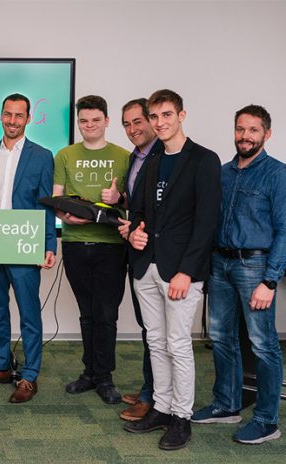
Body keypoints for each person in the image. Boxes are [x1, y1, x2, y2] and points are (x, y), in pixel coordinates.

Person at [122, 89, 221, 451]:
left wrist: (188, 271)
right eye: (154, 116)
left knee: (178, 344)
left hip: (180, 270)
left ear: (181, 115)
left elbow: (207, 221)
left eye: (166, 115)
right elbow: (142, 211)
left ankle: (182, 416)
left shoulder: (204, 160)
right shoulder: (151, 159)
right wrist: (134, 232)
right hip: (146, 266)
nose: (159, 122)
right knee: (155, 341)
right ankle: (161, 409)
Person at [191, 105, 285, 444]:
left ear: (266, 134)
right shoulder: (224, 172)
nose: (245, 136)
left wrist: (270, 279)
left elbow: (284, 229)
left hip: (255, 267)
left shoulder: (277, 174)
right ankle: (226, 404)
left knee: (263, 345)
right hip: (220, 264)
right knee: (220, 338)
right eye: (240, 129)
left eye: (253, 130)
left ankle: (266, 420)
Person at [0, 93, 56, 404]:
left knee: (29, 313)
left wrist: (49, 244)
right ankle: (2, 366)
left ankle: (30, 375)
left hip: (24, 243)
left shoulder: (43, 156)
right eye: (7, 114)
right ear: (1, 116)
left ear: (28, 119)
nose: (12, 121)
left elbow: (46, 204)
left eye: (19, 116)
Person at [54, 95, 129, 405]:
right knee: (87, 313)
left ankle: (105, 377)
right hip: (74, 244)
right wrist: (65, 216)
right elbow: (56, 199)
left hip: (111, 246)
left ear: (107, 121)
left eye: (96, 120)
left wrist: (119, 198)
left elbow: (134, 201)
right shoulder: (64, 155)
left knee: (106, 314)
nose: (89, 126)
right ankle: (89, 373)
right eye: (84, 121)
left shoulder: (125, 156)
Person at [117, 98, 164, 421]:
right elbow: (139, 204)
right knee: (149, 329)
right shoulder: (135, 157)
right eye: (127, 124)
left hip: (158, 254)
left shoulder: (164, 156)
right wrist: (120, 201)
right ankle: (152, 386)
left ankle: (152, 397)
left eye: (138, 121)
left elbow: (162, 212)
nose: (133, 129)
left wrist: (134, 226)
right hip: (138, 253)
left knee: (158, 332)